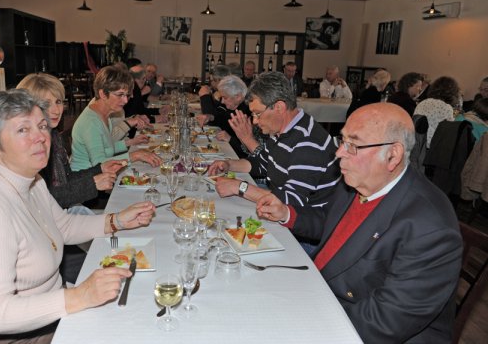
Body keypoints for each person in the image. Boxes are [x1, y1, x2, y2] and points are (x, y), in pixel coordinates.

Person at [0, 89, 156, 342]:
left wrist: (117, 220)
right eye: (23, 130)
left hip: (40, 318)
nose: (40, 138)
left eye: (42, 126)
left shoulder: (30, 181)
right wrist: (80, 296)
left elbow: (63, 227)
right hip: (6, 337)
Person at [256, 102, 462, 343]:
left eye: (353, 145)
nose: (339, 153)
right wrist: (287, 214)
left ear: (393, 155)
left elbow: (384, 321)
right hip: (321, 293)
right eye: (341, 140)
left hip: (360, 326)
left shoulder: (429, 227)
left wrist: (302, 319)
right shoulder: (358, 181)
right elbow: (332, 224)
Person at [208, 72, 341, 250]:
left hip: (306, 237)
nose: (254, 121)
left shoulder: (308, 142)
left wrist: (240, 187)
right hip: (284, 218)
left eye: (257, 114)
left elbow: (290, 201)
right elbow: (261, 164)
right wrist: (228, 164)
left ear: (278, 107)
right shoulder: (282, 130)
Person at [17, 73, 126, 283]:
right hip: (43, 241)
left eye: (58, 101)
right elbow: (46, 200)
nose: (57, 109)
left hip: (59, 225)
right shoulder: (33, 147)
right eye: (46, 103)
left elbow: (66, 179)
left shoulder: (54, 137)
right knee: (108, 266)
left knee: (116, 254)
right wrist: (93, 183)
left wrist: (98, 169)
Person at [70, 65, 161, 171]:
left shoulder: (105, 114)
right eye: (120, 95)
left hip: (100, 179)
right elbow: (100, 164)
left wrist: (131, 142)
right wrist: (134, 156)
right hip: (86, 182)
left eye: (126, 95)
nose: (126, 101)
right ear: (103, 94)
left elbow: (107, 148)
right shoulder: (91, 122)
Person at [196, 75, 253, 158]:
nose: (222, 101)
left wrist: (230, 139)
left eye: (225, 97)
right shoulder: (236, 106)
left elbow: (250, 150)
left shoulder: (247, 112)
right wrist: (211, 117)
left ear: (238, 97)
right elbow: (225, 119)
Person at [414, 76, 460, 146]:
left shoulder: (422, 103)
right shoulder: (446, 108)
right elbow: (448, 133)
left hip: (416, 142)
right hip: (432, 146)